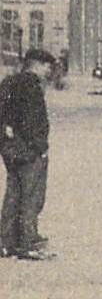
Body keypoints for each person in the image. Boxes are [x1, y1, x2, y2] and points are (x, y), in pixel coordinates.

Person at [0, 49, 56, 260]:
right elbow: (32, 122)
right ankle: (27, 242)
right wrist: (40, 147)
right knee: (32, 196)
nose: (49, 71)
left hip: (10, 148)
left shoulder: (9, 82)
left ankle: (6, 242)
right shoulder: (32, 87)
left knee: (13, 193)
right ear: (38, 65)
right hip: (29, 150)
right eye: (48, 67)